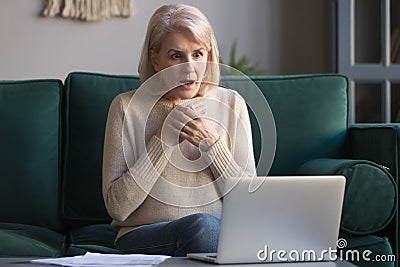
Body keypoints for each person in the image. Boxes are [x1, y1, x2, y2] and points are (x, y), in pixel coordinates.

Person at [102, 4, 256, 257]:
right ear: (156, 60)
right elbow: (118, 208)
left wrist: (212, 146)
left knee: (212, 229)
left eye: (198, 54)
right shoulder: (125, 107)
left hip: (219, 236)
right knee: (203, 227)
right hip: (144, 234)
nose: (189, 68)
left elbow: (250, 202)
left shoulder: (232, 103)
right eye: (176, 56)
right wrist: (162, 142)